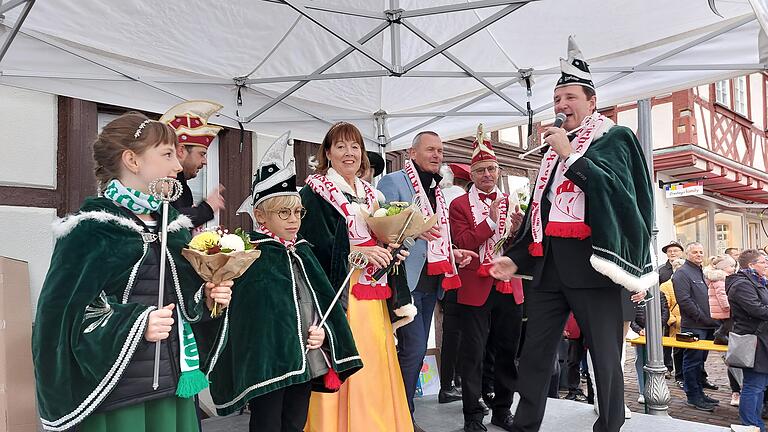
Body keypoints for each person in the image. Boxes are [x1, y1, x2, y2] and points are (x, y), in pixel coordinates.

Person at [490, 36, 655, 432]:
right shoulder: (551, 154)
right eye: (557, 98)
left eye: (569, 97)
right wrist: (517, 256)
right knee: (534, 352)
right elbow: (541, 212)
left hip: (594, 266)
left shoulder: (615, 138)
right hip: (550, 268)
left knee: (604, 356)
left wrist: (570, 155)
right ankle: (526, 422)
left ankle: (609, 424)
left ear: (591, 101)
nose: (561, 105)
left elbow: (620, 195)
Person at [32, 112, 233, 432]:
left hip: (173, 385)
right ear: (132, 160)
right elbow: (61, 317)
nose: (177, 167)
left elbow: (183, 303)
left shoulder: (174, 228)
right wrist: (137, 323)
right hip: (116, 394)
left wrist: (208, 297)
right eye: (167, 154)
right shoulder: (91, 230)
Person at [205, 132, 362, 432]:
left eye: (298, 212)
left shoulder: (303, 251)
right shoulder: (247, 254)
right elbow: (238, 314)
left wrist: (324, 333)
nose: (294, 220)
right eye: (284, 212)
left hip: (305, 357)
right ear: (261, 214)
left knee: (295, 423)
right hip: (268, 365)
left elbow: (319, 300)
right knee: (267, 424)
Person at [301, 122, 415, 432]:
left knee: (375, 357)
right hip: (340, 291)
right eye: (340, 146)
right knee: (343, 355)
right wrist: (355, 251)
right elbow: (311, 244)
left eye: (354, 147)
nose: (349, 153)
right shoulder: (316, 192)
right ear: (327, 153)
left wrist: (393, 252)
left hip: (372, 290)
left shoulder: (372, 194)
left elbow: (382, 237)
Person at [377, 131, 475, 429]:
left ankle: (397, 412)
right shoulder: (393, 181)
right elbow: (382, 229)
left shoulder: (438, 189)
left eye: (440, 151)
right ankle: (403, 418)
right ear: (412, 152)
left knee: (411, 352)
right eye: (430, 150)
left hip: (432, 279)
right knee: (414, 349)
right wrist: (413, 230)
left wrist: (453, 252)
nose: (437, 155)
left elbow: (437, 234)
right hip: (404, 279)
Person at [448, 125, 525, 432]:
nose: (487, 174)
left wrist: (518, 228)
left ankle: (503, 410)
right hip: (475, 286)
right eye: (480, 170)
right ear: (472, 173)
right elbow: (462, 241)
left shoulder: (512, 199)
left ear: (498, 170)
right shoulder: (459, 204)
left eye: (492, 169)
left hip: (508, 285)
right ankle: (471, 415)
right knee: (474, 353)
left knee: (508, 351)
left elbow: (521, 247)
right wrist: (491, 221)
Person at [160, 101, 226, 228]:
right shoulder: (161, 183)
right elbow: (168, 220)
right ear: (181, 151)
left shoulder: (181, 186)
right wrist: (207, 208)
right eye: (202, 154)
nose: (205, 161)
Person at [673, 241, 721, 411]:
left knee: (700, 362)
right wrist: (704, 319)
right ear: (687, 254)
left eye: (701, 252)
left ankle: (700, 393)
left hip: (707, 326)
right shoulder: (682, 273)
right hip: (694, 326)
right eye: (695, 252)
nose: (699, 254)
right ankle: (693, 396)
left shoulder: (702, 272)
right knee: (692, 362)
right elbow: (685, 301)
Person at [727, 249, 768, 430]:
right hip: (753, 340)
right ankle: (750, 423)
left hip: (761, 337)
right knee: (754, 384)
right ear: (751, 265)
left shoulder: (758, 281)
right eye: (763, 262)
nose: (766, 265)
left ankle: (755, 422)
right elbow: (757, 309)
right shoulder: (742, 284)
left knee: (760, 384)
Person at [705, 254, 740, 405]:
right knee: (727, 324)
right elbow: (721, 295)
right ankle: (719, 334)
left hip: (720, 311)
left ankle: (720, 334)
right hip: (724, 310)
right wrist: (728, 306)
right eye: (730, 266)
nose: (733, 268)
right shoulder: (720, 279)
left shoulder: (719, 278)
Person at [660, 258, 685, 382]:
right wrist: (672, 320)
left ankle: (682, 373)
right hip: (674, 323)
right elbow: (664, 305)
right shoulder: (666, 285)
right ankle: (670, 369)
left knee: (683, 350)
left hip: (686, 321)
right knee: (672, 348)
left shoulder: (686, 283)